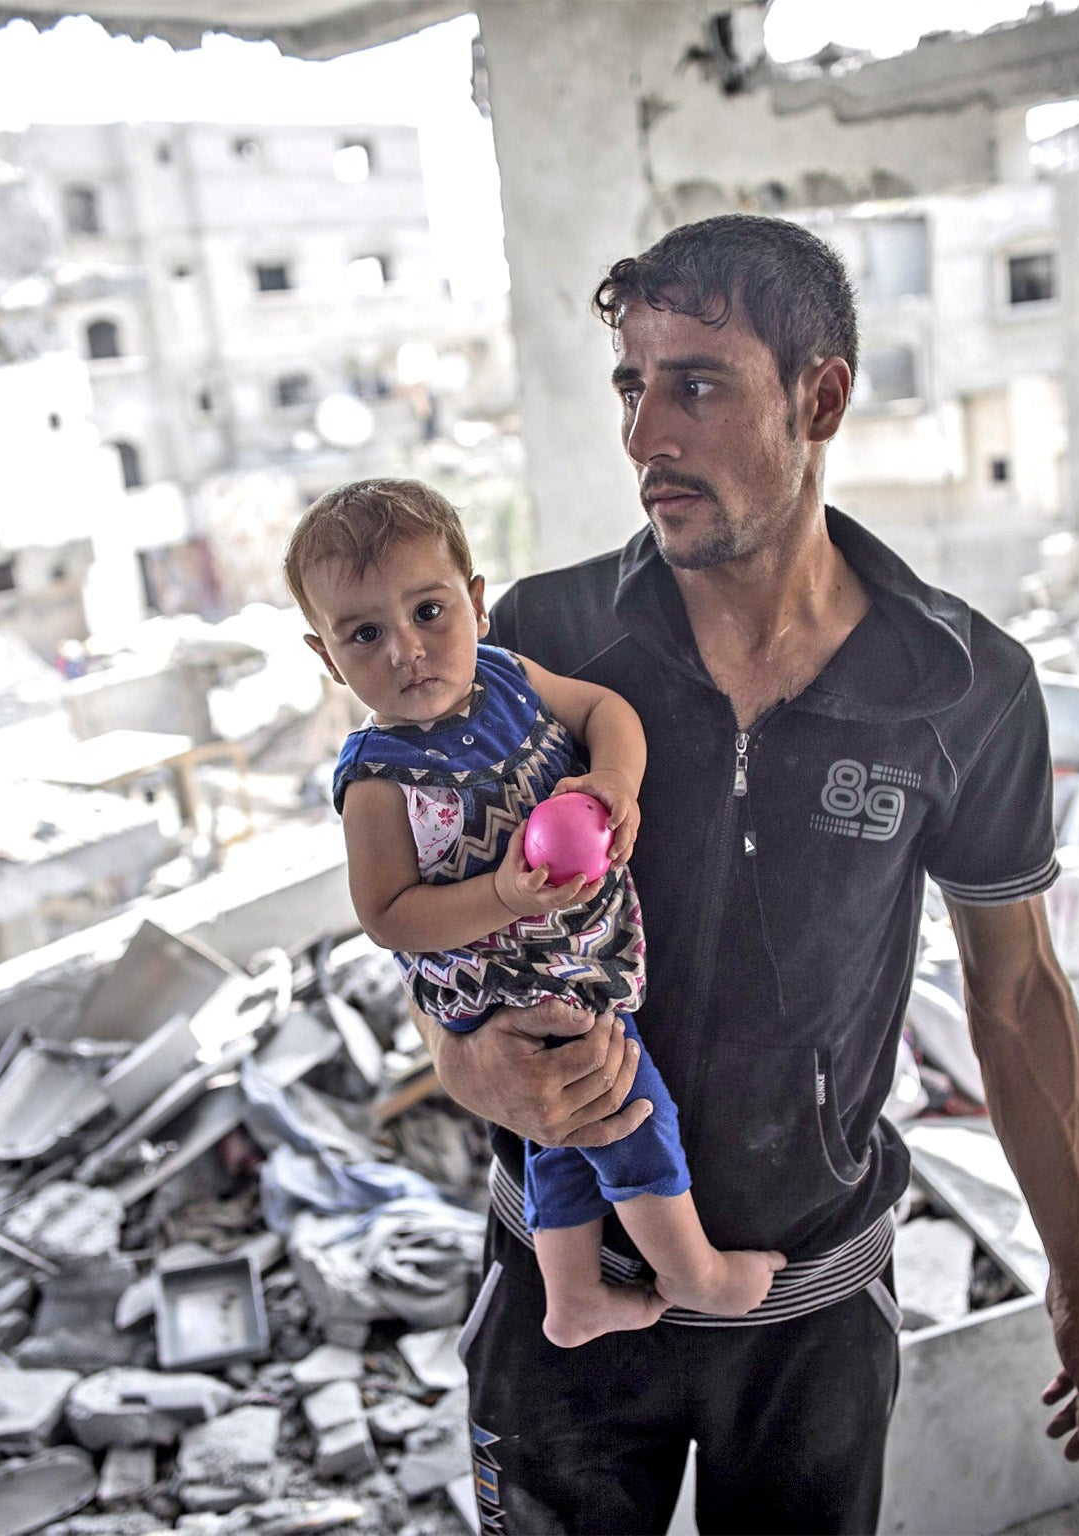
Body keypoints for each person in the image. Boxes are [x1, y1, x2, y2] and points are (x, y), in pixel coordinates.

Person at [422, 214, 1079, 1535]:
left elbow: (1019, 997)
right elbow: (441, 922)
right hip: (564, 1288)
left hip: (804, 1311)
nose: (648, 437)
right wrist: (472, 1065)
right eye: (633, 389)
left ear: (821, 397)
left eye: (697, 385)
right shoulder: (545, 638)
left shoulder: (963, 689)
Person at [288, 479, 785, 1350]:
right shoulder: (377, 779)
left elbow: (603, 711)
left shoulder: (509, 676)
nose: (406, 650)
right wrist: (503, 898)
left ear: (476, 604)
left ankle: (574, 1297)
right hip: (504, 982)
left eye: (430, 611)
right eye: (364, 634)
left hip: (571, 947)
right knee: (624, 1107)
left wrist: (612, 783)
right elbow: (389, 916)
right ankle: (693, 1271)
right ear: (327, 658)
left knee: (558, 1137)